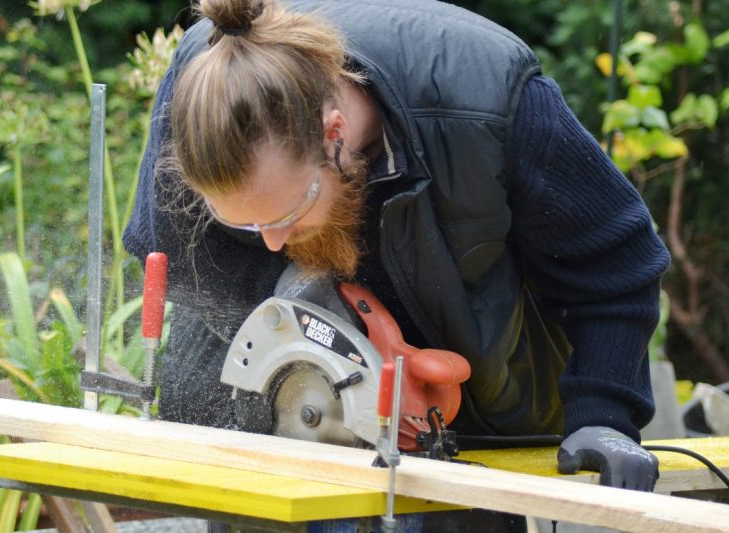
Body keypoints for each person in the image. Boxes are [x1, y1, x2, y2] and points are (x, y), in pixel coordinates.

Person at [124, 0, 671, 529]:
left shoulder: (488, 100)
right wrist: (332, 344)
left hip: (451, 426)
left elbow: (617, 263)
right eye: (243, 222)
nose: (271, 242)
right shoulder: (208, 84)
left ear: (334, 135)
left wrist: (603, 415)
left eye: (287, 212)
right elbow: (180, 257)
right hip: (273, 416)